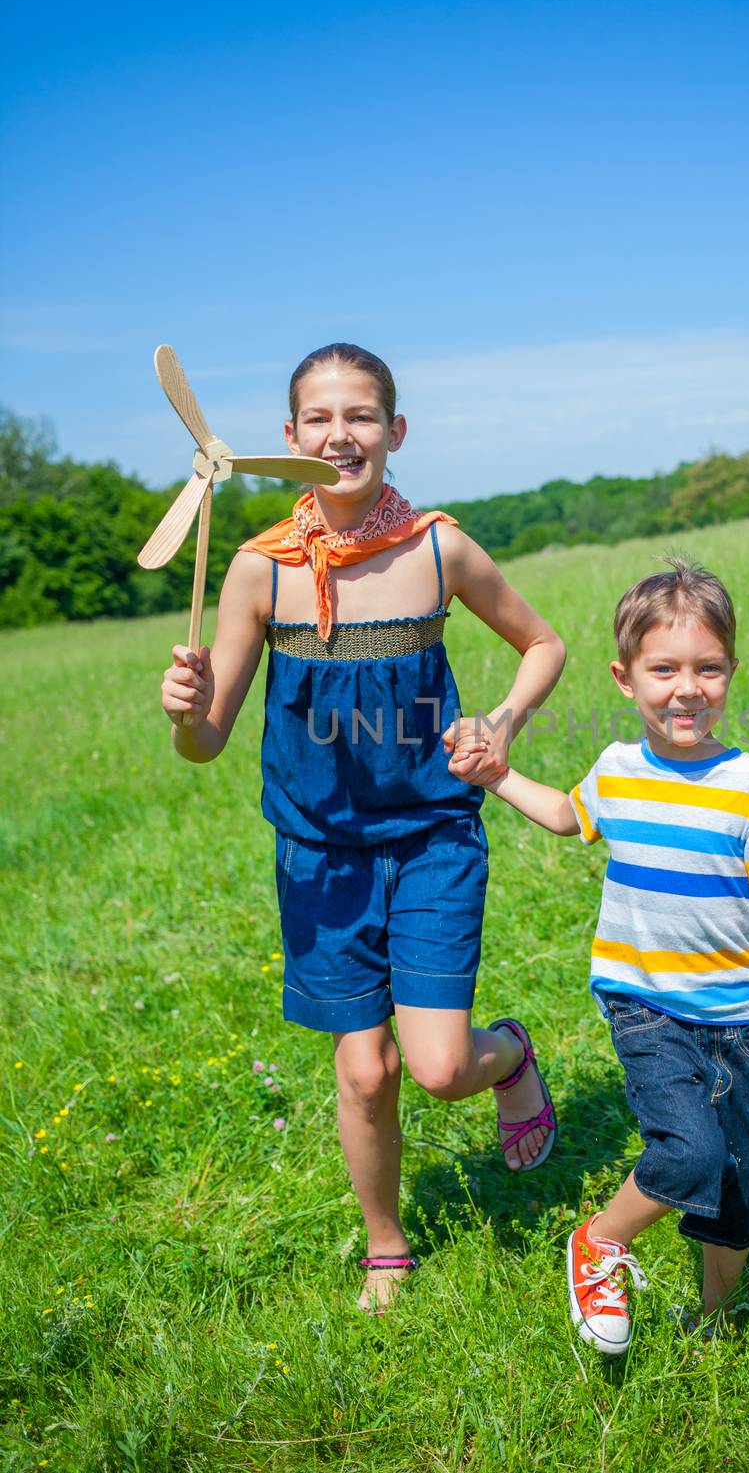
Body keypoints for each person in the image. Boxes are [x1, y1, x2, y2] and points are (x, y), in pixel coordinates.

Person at [160, 343, 566, 1313]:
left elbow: (543, 643)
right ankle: (386, 1243)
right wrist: (185, 710)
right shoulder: (260, 571)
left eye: (363, 416)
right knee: (364, 1065)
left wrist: (498, 725)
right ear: (289, 438)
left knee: (433, 1066)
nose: (341, 435)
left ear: (395, 432)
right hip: (319, 858)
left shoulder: (438, 548)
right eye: (321, 418)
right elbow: (207, 742)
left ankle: (506, 1054)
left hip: (431, 836)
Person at [453, 558, 749, 1352]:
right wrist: (500, 775)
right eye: (664, 669)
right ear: (624, 678)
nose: (687, 688)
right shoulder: (617, 770)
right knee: (688, 1152)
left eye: (707, 668)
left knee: (740, 1181)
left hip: (742, 1020)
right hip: (646, 1002)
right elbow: (562, 815)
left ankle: (717, 1323)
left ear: (730, 672)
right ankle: (601, 1242)